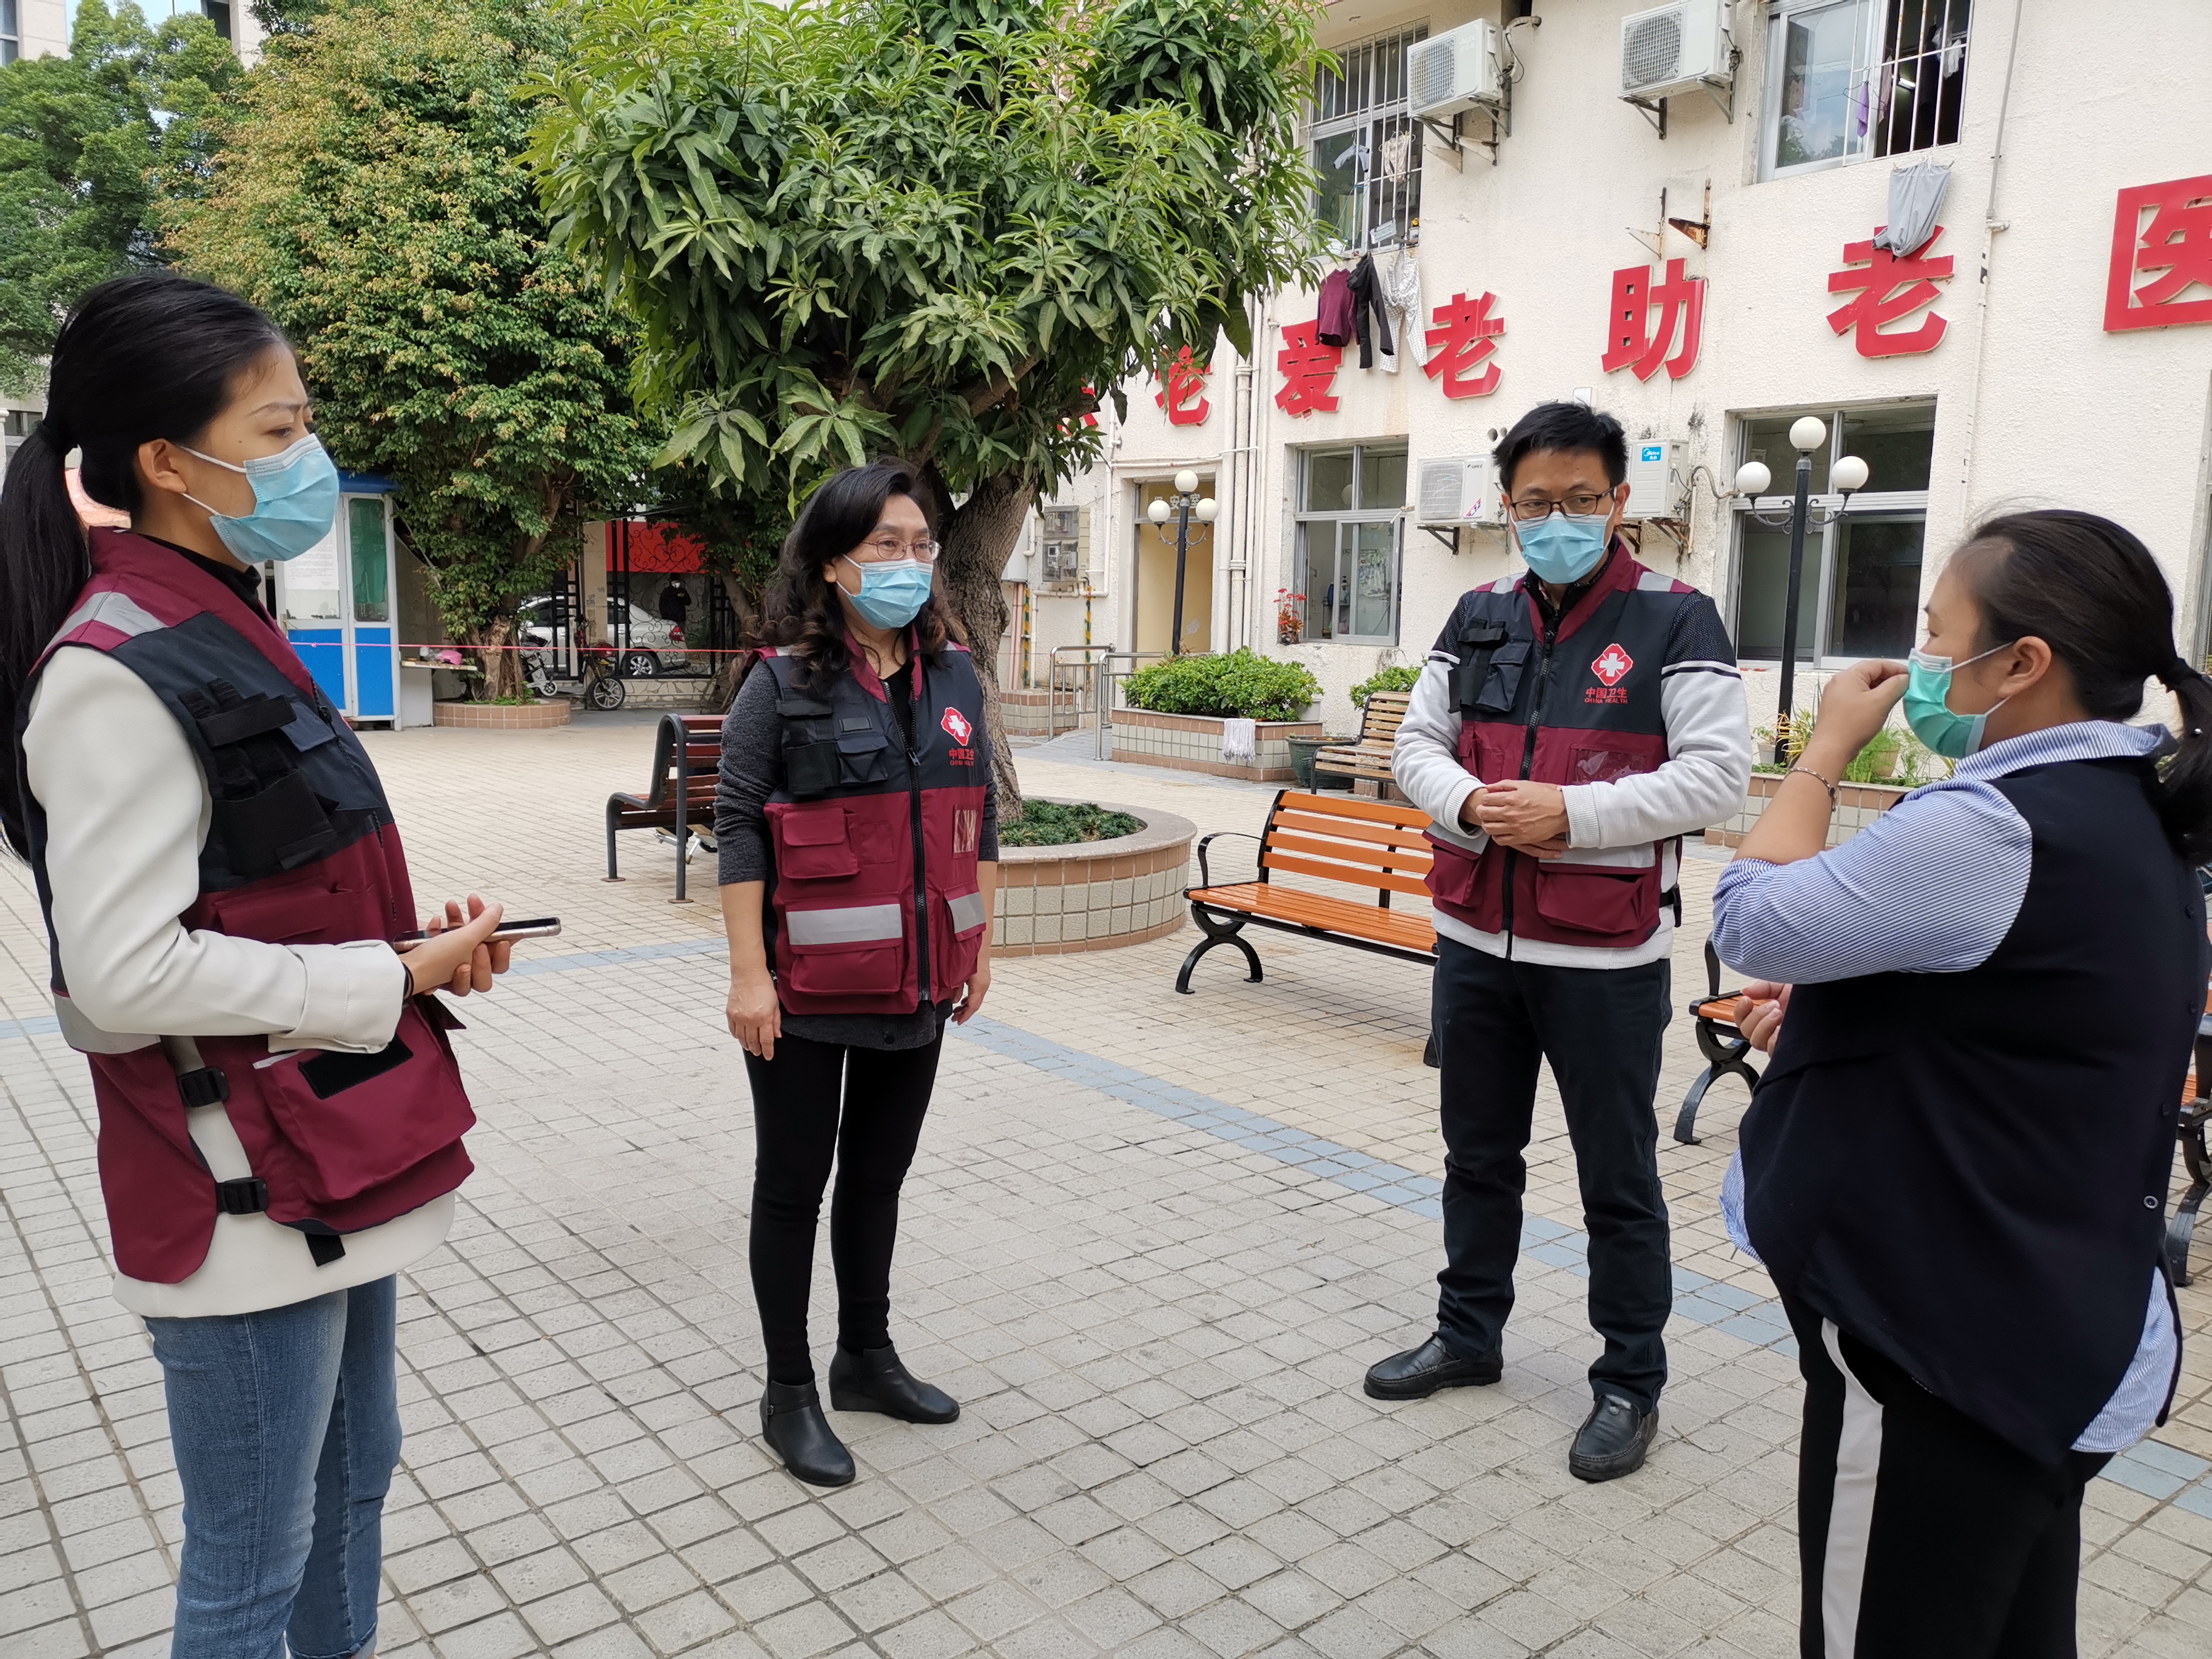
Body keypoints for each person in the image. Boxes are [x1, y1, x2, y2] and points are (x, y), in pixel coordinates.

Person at [0, 273, 512, 1659]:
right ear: (168, 463)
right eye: (277, 433)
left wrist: (416, 954)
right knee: (249, 1566)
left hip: (331, 1150)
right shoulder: (112, 670)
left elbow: (268, 895)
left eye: (304, 425)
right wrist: (387, 984)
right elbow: (119, 977)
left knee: (355, 1483)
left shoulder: (224, 620)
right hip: (236, 1196)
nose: (308, 459)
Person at [1709, 509, 2207, 1657]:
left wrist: (1826, 750)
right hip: (2057, 1326)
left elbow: (1751, 921)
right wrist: (1838, 1012)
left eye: (1938, 633)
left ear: (2022, 663)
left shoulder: (1994, 826)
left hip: (1939, 1344)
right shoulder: (2134, 811)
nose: (1919, 660)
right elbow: (2033, 1027)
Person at [1382, 401, 1753, 1481]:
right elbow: (1418, 742)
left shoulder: (1678, 618)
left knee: (1617, 1180)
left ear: (1619, 500)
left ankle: (1630, 1381)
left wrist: (1571, 815)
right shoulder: (1479, 611)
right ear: (1507, 505)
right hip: (1475, 940)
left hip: (1605, 956)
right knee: (1477, 1158)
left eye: (1581, 501)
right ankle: (1468, 1334)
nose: (1558, 521)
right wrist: (1466, 803)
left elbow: (1718, 778)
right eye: (1536, 503)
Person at [715, 459, 996, 1487]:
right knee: (794, 1188)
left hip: (918, 984)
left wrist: (981, 946)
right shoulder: (780, 682)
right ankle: (787, 1389)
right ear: (833, 561)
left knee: (878, 1180)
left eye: (921, 545)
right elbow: (737, 828)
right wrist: (749, 976)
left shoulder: (955, 676)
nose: (909, 562)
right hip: (805, 992)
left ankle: (865, 1360)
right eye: (886, 544)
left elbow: (980, 819)